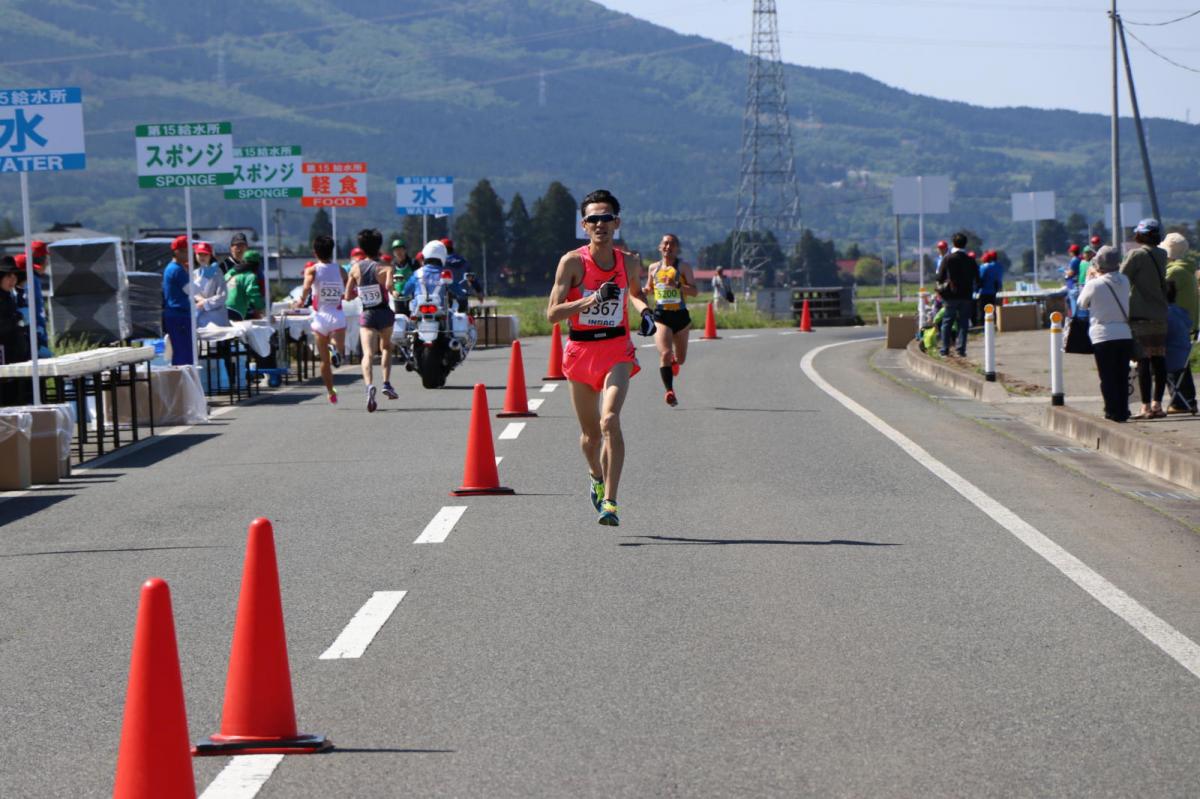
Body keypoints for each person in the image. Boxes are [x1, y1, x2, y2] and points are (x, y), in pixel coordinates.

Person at [547, 189, 654, 526]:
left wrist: (645, 312)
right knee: (591, 437)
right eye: (593, 219)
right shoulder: (572, 262)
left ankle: (611, 501)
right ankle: (595, 474)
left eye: (606, 218)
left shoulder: (629, 262)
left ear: (616, 223)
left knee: (610, 420)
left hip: (616, 350)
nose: (600, 224)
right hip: (580, 352)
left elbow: (635, 294)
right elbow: (552, 314)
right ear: (584, 225)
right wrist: (591, 300)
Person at [1120, 219, 1170, 419]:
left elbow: (1122, 279)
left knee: (1143, 362)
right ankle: (1158, 405)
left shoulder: (1136, 255)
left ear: (1141, 234)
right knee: (1159, 360)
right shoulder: (1162, 254)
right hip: (1160, 314)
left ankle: (1145, 406)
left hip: (1140, 315)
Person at [1077, 245, 1132, 423]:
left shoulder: (1094, 284)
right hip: (1124, 333)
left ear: (1099, 264)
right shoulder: (1125, 280)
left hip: (1103, 335)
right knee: (1122, 375)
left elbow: (1081, 303)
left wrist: (1089, 278)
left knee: (1107, 376)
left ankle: (1111, 411)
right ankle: (1123, 410)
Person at [344, 228, 397, 410]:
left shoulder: (354, 269)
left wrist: (360, 291)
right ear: (379, 246)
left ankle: (369, 386)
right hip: (384, 312)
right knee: (386, 347)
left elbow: (347, 296)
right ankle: (386, 383)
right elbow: (389, 287)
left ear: (361, 247)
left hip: (367, 314)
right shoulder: (385, 268)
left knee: (367, 353)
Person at [644, 233, 697, 407]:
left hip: (680, 317)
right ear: (660, 247)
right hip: (661, 316)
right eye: (665, 243)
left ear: (677, 249)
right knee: (665, 353)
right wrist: (645, 291)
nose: (668, 247)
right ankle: (669, 391)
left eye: (672, 244)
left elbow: (694, 291)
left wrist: (678, 285)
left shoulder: (683, 267)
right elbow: (650, 288)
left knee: (680, 359)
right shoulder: (653, 268)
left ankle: (674, 362)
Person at [293, 235, 346, 404]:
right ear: (332, 251)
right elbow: (348, 287)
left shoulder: (312, 270)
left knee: (324, 361)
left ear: (315, 252)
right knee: (339, 351)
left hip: (320, 317)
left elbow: (306, 287)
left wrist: (301, 300)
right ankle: (334, 349)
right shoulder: (340, 269)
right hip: (337, 315)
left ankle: (331, 391)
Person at [1162, 232, 1197, 412]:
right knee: (1181, 362)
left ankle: (1181, 402)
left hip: (1177, 322)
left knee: (1172, 360)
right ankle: (1185, 400)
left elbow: (1159, 288)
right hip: (1188, 322)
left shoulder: (1174, 271)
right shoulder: (1187, 269)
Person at [934, 232, 979, 357]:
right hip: (966, 295)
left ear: (953, 243)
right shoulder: (970, 260)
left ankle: (945, 349)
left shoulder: (948, 259)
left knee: (947, 321)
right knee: (963, 323)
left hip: (951, 295)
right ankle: (961, 349)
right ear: (965, 244)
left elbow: (939, 277)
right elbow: (977, 278)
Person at [162, 235, 194, 365]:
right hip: (179, 316)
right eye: (186, 251)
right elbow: (191, 290)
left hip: (175, 315)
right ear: (177, 252)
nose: (189, 255)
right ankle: (181, 377)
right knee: (184, 353)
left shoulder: (172, 268)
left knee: (181, 351)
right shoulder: (177, 270)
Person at [1165, 280, 1196, 414]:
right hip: (1184, 353)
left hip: (1170, 356)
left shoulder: (1163, 314)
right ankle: (1189, 401)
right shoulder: (1181, 311)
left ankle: (1176, 403)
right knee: (1183, 374)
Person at [0, 256, 30, 366]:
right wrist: (18, 319)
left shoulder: (9, 296)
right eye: (9, 275)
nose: (13, 279)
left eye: (15, 275)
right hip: (4, 357)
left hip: (15, 355)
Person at [191, 242, 229, 328]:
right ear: (195, 255)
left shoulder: (217, 272)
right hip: (199, 318)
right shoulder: (194, 273)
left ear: (210, 256)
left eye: (205, 254)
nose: (202, 257)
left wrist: (205, 303)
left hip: (216, 319)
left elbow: (222, 296)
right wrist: (198, 299)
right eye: (200, 254)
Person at [226, 249, 266, 322]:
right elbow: (253, 294)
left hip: (221, 309)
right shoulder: (250, 276)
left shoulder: (230, 273)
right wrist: (263, 309)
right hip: (236, 311)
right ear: (256, 265)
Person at [977, 250, 1003, 323]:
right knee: (992, 309)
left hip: (984, 291)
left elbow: (980, 279)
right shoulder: (999, 266)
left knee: (982, 310)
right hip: (994, 291)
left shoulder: (985, 267)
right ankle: (993, 322)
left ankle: (983, 324)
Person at [1064, 243, 1082, 316]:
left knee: (1073, 303)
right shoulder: (1080, 259)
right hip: (1076, 284)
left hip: (1073, 285)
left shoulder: (1074, 260)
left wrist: (1065, 272)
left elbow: (1071, 273)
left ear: (1072, 252)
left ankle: (1074, 318)